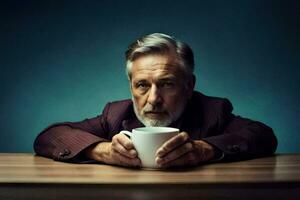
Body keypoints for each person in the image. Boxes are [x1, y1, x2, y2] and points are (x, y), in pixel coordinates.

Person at [34, 33, 277, 168]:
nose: (153, 99)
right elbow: (49, 136)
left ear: (189, 86)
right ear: (131, 88)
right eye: (142, 85)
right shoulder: (116, 115)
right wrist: (102, 150)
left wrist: (204, 150)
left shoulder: (212, 112)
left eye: (167, 84)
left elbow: (263, 135)